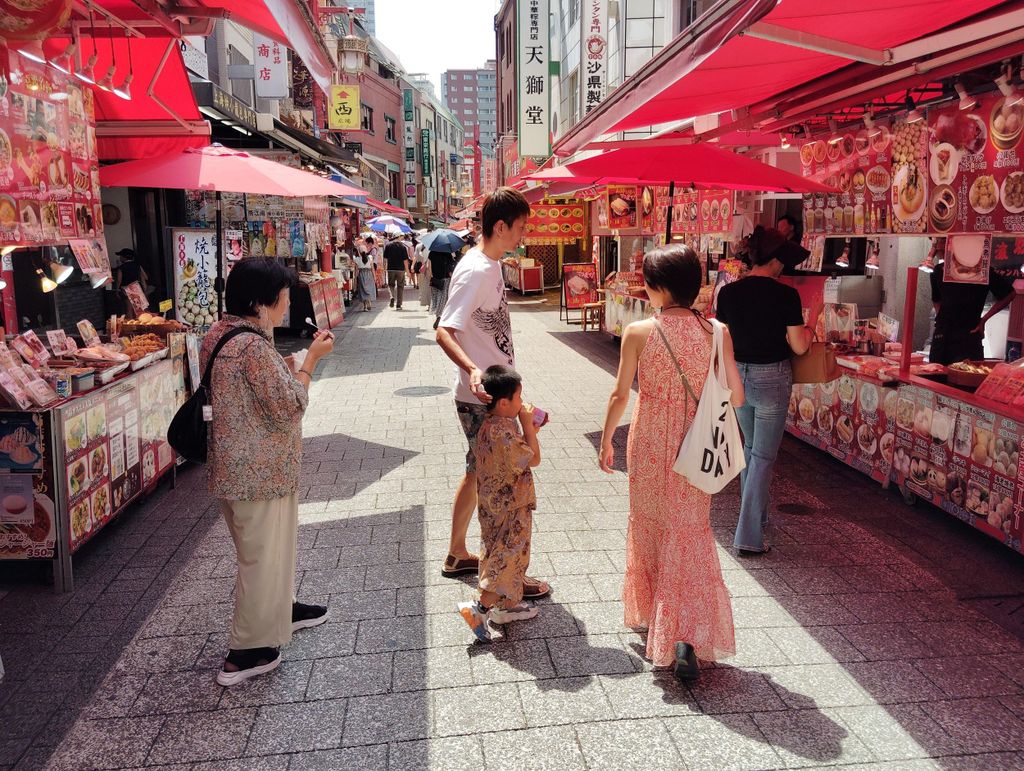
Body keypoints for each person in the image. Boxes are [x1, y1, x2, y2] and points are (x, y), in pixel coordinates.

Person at [599, 244, 742, 675]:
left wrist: (605, 440)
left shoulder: (639, 332)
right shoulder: (718, 332)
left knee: (650, 523)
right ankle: (686, 635)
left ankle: (659, 618)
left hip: (649, 441)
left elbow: (620, 394)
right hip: (697, 445)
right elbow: (737, 396)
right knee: (690, 531)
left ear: (658, 288)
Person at [202, 258, 336, 686]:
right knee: (260, 559)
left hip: (235, 469)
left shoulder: (220, 334)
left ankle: (281, 609)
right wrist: (310, 361)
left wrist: (287, 364)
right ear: (260, 303)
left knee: (265, 552)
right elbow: (290, 406)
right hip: (260, 473)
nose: (287, 305)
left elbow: (247, 387)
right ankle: (246, 652)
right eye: (282, 297)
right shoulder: (253, 348)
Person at [436, 187, 550, 601]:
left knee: (478, 473)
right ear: (500, 226)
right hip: (483, 401)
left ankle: (458, 554)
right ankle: (504, 578)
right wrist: (472, 370)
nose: (524, 234)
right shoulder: (477, 271)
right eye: (520, 227)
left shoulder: (490, 264)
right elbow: (444, 330)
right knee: (504, 490)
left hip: (493, 396)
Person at [715, 228, 815, 556]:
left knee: (751, 449)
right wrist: (812, 327)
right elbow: (799, 347)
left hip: (737, 378)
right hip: (772, 377)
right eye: (782, 259)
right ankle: (748, 535)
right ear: (773, 260)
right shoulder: (786, 295)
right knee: (762, 456)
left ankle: (757, 517)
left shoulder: (728, 294)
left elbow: (722, 338)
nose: (783, 265)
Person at [457, 365, 542, 642]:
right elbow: (533, 459)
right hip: (512, 507)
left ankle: (505, 607)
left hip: (492, 505)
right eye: (518, 397)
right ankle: (479, 608)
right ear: (504, 403)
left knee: (494, 550)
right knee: (508, 557)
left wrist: (527, 429)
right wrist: (529, 427)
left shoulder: (490, 425)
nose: (522, 402)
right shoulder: (505, 433)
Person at [929, 239, 1015, 365]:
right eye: (935, 242)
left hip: (969, 334)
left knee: (967, 374)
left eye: (942, 241)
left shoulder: (982, 271)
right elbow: (936, 300)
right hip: (942, 336)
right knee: (935, 373)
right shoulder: (937, 271)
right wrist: (942, 320)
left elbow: (1009, 294)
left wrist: (984, 319)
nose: (937, 247)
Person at [428, 249, 455, 330]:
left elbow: (429, 266)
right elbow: (450, 268)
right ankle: (439, 316)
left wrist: (431, 276)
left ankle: (438, 315)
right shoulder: (447, 253)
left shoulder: (432, 252)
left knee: (435, 298)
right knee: (443, 298)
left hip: (435, 279)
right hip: (445, 279)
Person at [384, 235, 412, 309]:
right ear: (399, 237)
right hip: (400, 269)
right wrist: (407, 271)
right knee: (400, 286)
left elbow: (385, 259)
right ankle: (399, 305)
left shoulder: (388, 246)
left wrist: (385, 268)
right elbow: (405, 260)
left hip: (390, 269)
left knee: (391, 285)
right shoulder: (403, 247)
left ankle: (392, 296)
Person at [353, 238, 376, 312]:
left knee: (363, 290)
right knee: (369, 289)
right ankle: (369, 301)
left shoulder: (357, 259)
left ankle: (365, 306)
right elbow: (372, 268)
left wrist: (355, 280)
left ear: (359, 252)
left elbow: (356, 271)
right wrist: (374, 277)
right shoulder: (370, 258)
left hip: (361, 275)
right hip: (369, 274)